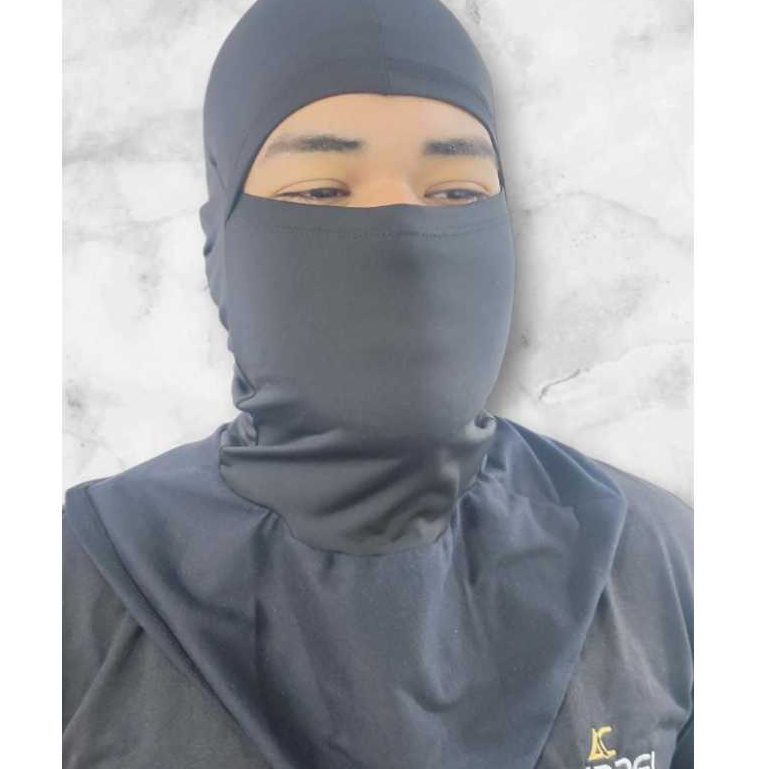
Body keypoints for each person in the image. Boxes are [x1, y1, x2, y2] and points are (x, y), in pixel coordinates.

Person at [62, 0, 693, 767]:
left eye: (455, 191)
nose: (404, 244)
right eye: (321, 192)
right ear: (221, 246)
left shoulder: (654, 564)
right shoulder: (78, 585)